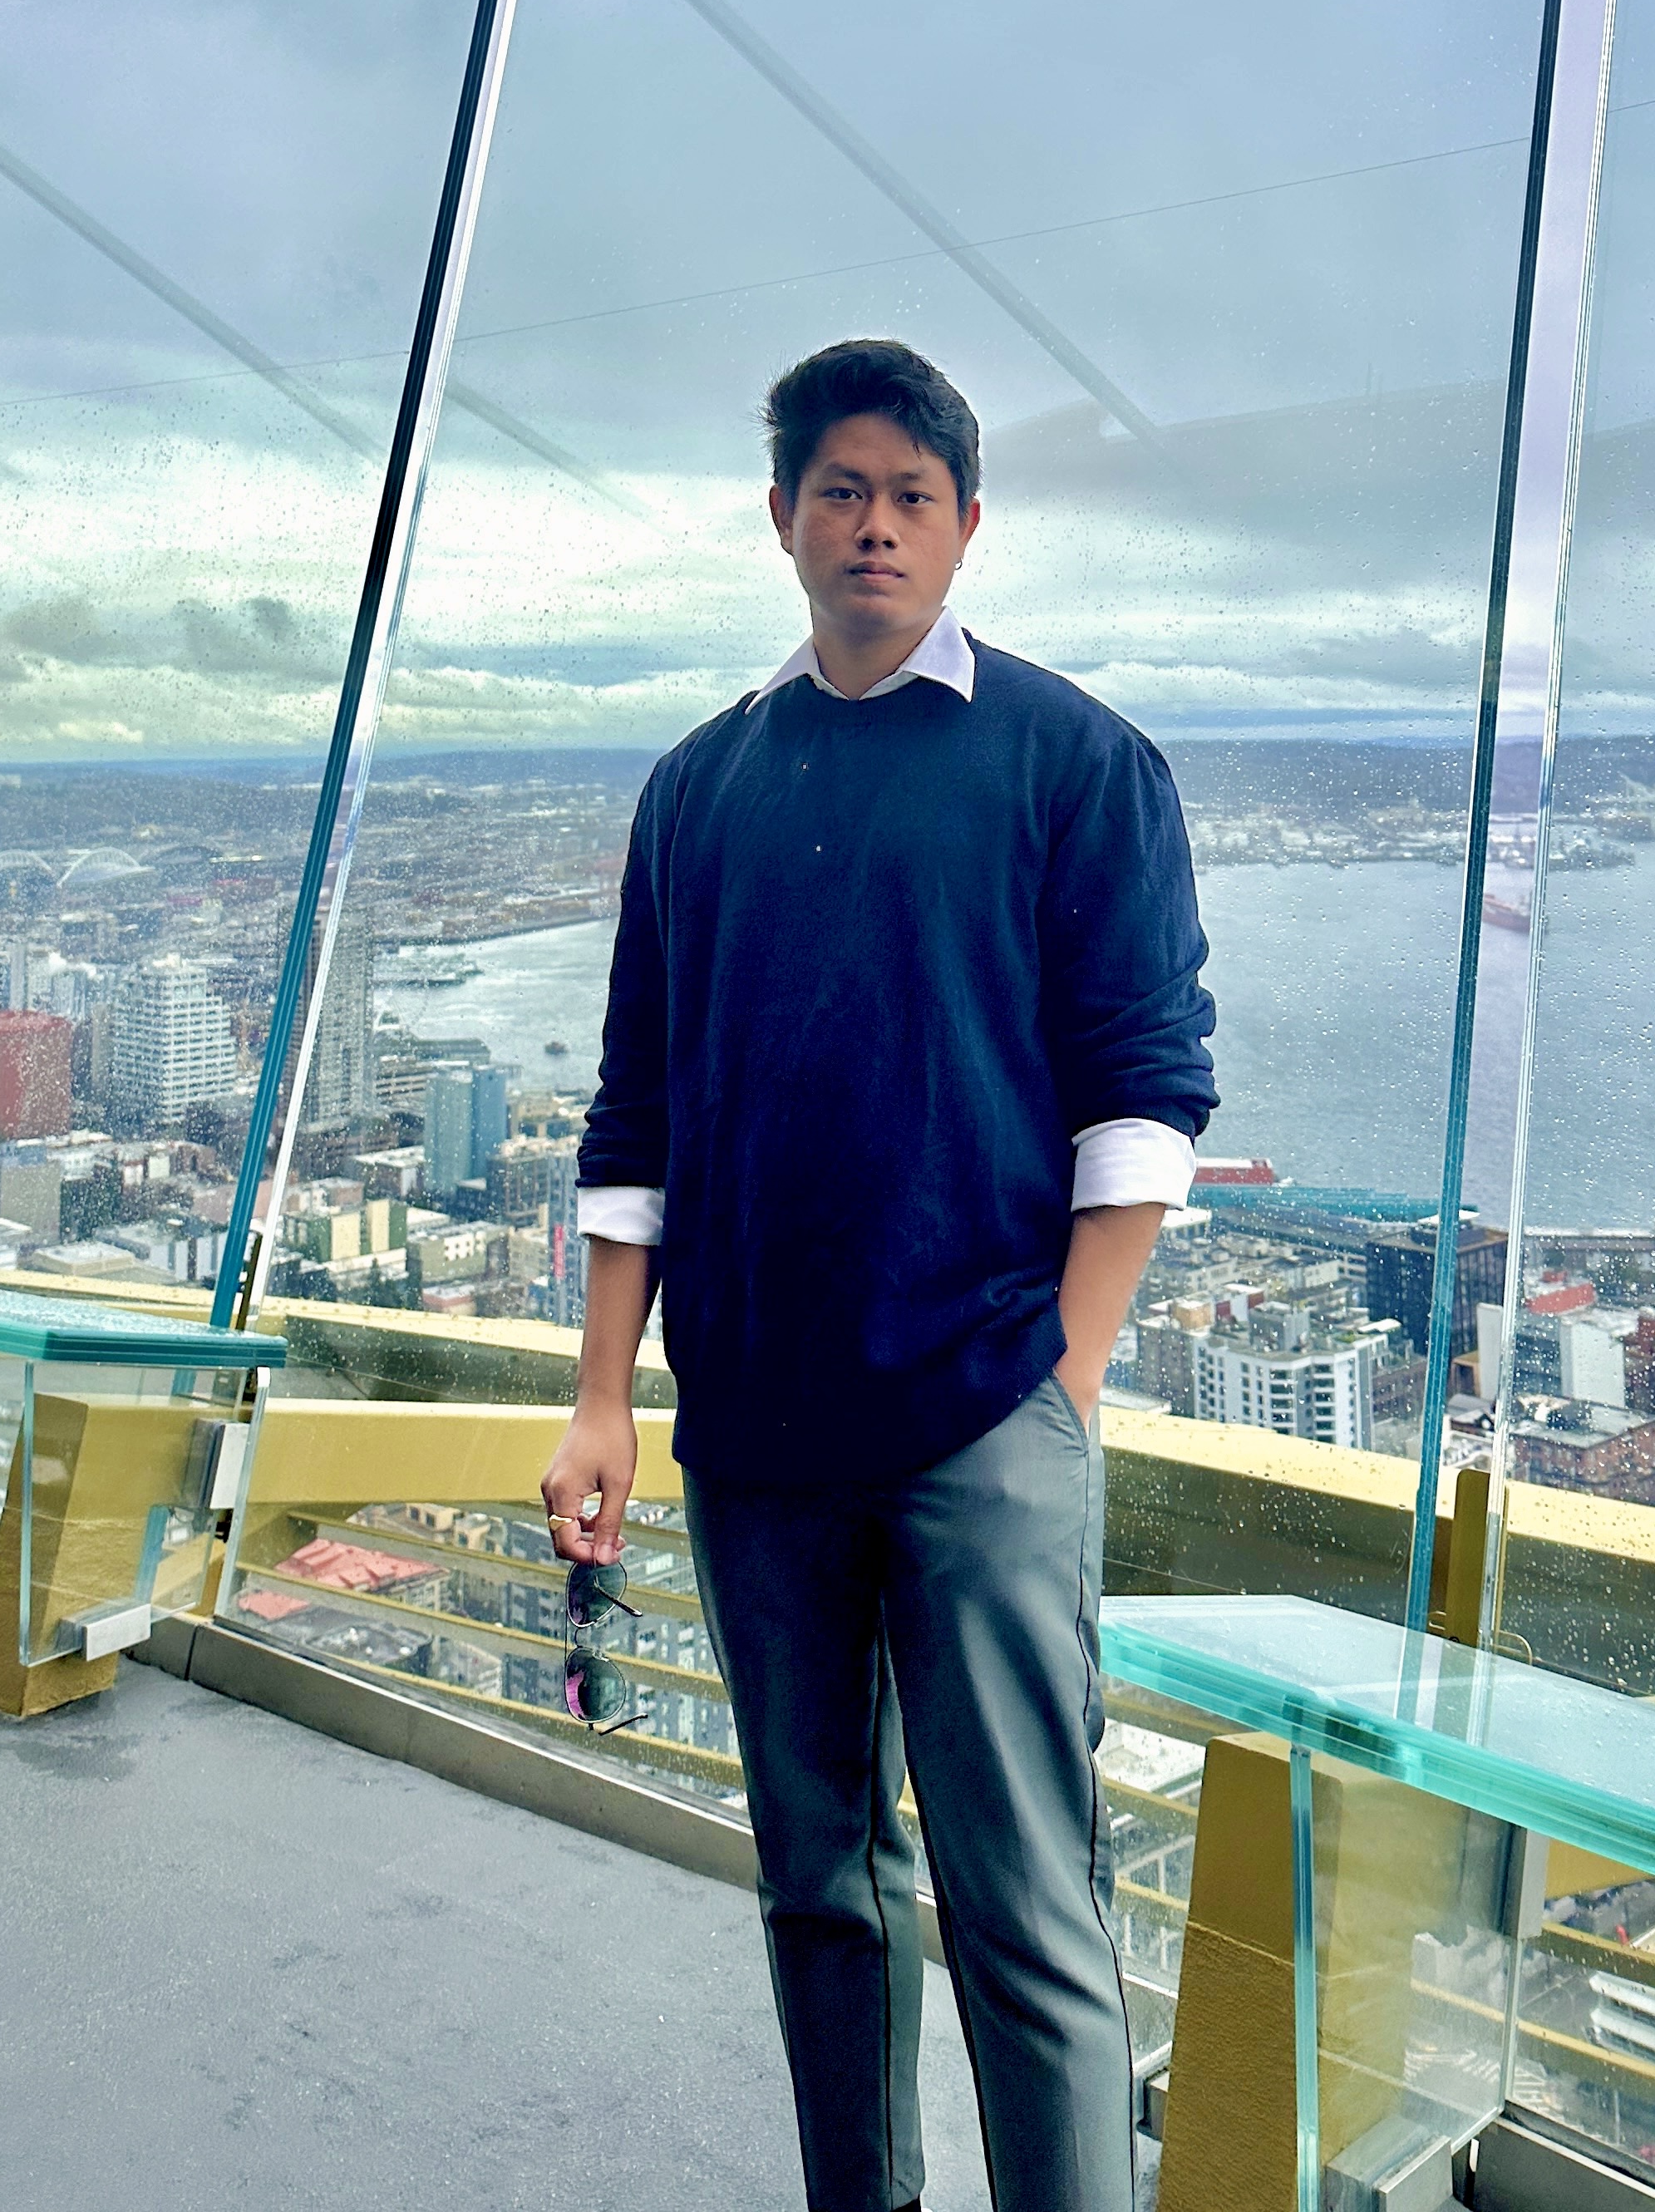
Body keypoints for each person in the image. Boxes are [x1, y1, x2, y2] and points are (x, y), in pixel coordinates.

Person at [544, 337, 1216, 2212]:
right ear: (780, 519)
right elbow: (637, 1115)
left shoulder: (1075, 763)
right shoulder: (699, 790)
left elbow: (1146, 1098)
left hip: (979, 1414)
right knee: (817, 1886)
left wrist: (1060, 1383)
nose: (875, 527)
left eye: (914, 496)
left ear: (970, 527)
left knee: (1027, 1908)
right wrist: (606, 1393)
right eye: (840, 491)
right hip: (756, 1429)